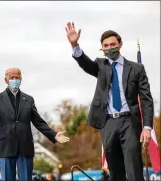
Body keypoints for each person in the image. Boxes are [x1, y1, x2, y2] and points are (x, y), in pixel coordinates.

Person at [65, 22, 154, 181]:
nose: (109, 47)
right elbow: (85, 63)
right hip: (108, 123)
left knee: (133, 164)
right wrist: (75, 44)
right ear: (102, 48)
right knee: (115, 170)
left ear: (120, 45)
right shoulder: (100, 66)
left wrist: (147, 127)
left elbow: (146, 99)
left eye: (112, 44)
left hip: (130, 122)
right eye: (105, 45)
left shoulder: (136, 69)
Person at [0, 67, 70, 181]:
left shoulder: (28, 99)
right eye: (11, 77)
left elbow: (38, 122)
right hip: (6, 148)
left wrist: (54, 134)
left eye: (17, 77)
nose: (15, 80)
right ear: (6, 80)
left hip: (25, 148)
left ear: (21, 79)